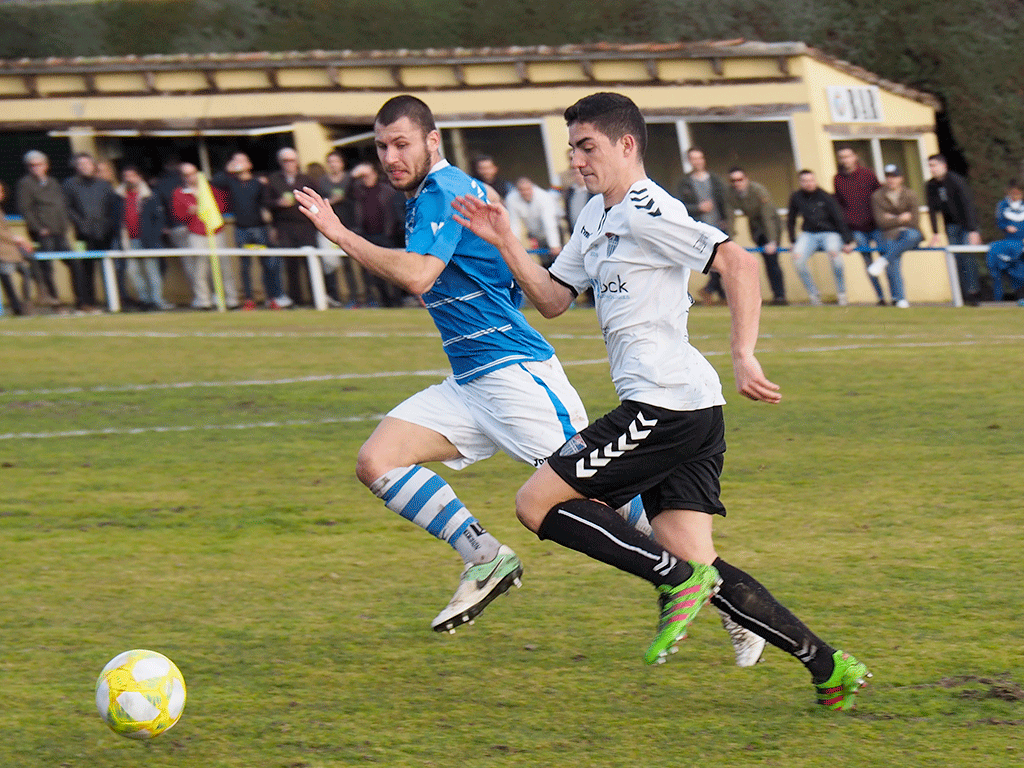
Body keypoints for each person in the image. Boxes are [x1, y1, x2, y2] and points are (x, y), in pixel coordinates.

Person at [452, 91, 869, 710]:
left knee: (537, 502)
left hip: (664, 406)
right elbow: (553, 299)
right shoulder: (597, 215)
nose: (577, 161)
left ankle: (676, 583)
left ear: (627, 145)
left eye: (587, 147)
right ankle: (829, 665)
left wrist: (744, 353)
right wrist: (506, 239)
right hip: (691, 408)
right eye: (572, 150)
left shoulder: (648, 210)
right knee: (696, 554)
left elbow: (737, 261)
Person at [293, 94, 597, 636]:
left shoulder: (443, 188)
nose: (390, 156)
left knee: (605, 493)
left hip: (513, 374)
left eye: (401, 143)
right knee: (378, 460)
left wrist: (340, 233)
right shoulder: (432, 195)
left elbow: (419, 275)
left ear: (433, 141)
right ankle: (484, 557)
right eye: (382, 146)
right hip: (469, 382)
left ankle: (713, 585)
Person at [213, 152, 292, 310]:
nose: (238, 163)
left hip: (260, 228)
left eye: (241, 160)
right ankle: (249, 299)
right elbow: (216, 182)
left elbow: (267, 203)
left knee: (268, 264)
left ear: (250, 165)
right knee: (245, 266)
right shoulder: (231, 181)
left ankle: (272, 298)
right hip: (241, 229)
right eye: (235, 160)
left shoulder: (259, 182)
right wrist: (228, 169)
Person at [171, 162, 240, 310]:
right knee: (199, 270)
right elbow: (177, 214)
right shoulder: (179, 192)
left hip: (215, 231)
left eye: (193, 173)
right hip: (196, 233)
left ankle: (231, 299)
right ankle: (204, 300)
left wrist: (208, 207)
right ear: (182, 177)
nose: (191, 177)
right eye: (187, 175)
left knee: (225, 267)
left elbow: (223, 205)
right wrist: (188, 211)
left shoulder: (210, 189)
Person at [787, 170, 855, 306]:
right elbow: (791, 219)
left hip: (830, 233)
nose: (809, 183)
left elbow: (839, 218)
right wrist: (793, 240)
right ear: (800, 183)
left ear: (815, 180)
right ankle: (814, 295)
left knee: (835, 257)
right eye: (805, 181)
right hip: (809, 234)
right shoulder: (796, 197)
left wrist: (848, 240)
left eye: (811, 180)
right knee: (797, 259)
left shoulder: (827, 197)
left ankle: (842, 294)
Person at [676, 146, 732, 304]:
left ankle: (713, 292)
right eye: (693, 158)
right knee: (713, 261)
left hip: (719, 228)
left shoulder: (715, 180)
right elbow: (679, 206)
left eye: (699, 158)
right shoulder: (685, 183)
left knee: (721, 262)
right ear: (689, 161)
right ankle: (717, 294)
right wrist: (698, 208)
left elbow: (726, 202)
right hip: (699, 229)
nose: (697, 161)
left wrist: (726, 220)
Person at [63, 153, 118, 312]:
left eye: (87, 163)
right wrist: (81, 224)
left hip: (104, 234)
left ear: (93, 165)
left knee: (110, 268)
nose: (84, 166)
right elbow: (67, 208)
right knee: (83, 269)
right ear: (76, 167)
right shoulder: (69, 184)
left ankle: (113, 301)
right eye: (80, 164)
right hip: (82, 235)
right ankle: (85, 302)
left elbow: (111, 208)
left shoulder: (104, 185)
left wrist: (107, 225)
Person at [926, 154, 983, 306]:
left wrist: (973, 230)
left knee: (968, 257)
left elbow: (968, 204)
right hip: (950, 226)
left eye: (934, 165)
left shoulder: (955, 180)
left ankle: (974, 292)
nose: (932, 169)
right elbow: (932, 210)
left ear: (943, 165)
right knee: (956, 259)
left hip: (966, 225)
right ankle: (963, 294)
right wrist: (935, 232)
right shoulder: (931, 185)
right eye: (930, 166)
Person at [266, 147, 321, 305]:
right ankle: (296, 300)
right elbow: (265, 201)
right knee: (291, 265)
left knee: (311, 264)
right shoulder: (274, 179)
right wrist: (278, 203)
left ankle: (316, 299)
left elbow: (317, 200)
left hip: (306, 226)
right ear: (280, 162)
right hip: (284, 227)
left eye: (292, 160)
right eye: (285, 161)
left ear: (297, 162)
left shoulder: (307, 179)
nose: (289, 164)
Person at [834, 146, 887, 305]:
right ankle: (881, 297)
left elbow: (880, 196)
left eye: (848, 156)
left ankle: (897, 296)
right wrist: (847, 235)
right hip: (856, 229)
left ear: (855, 157)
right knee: (868, 263)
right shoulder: (838, 179)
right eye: (842, 157)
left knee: (886, 259)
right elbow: (840, 205)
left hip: (876, 226)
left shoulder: (868, 174)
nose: (845, 160)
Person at [726, 167, 787, 305]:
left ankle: (780, 296)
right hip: (755, 226)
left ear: (746, 179)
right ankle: (774, 295)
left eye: (740, 179)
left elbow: (768, 217)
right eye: (733, 180)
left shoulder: (758, 190)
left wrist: (772, 241)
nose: (737, 183)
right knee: (764, 261)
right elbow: (730, 217)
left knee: (772, 260)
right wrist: (728, 238)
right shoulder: (730, 193)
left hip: (771, 224)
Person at [349, 161, 405, 307]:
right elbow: (347, 192)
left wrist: (391, 231)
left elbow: (394, 212)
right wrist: (354, 175)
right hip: (367, 236)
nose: (365, 178)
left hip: (386, 236)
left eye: (368, 174)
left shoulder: (386, 190)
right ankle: (383, 300)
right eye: (363, 176)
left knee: (391, 270)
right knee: (373, 272)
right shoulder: (359, 191)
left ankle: (397, 301)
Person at [868, 164, 923, 309]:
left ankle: (883, 260)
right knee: (894, 259)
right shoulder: (877, 196)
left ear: (901, 179)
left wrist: (892, 218)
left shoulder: (910, 194)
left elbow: (915, 220)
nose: (891, 180)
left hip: (910, 232)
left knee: (913, 236)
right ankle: (901, 298)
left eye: (895, 177)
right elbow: (881, 222)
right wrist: (900, 218)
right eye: (888, 177)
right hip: (890, 233)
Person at [117, 166, 172, 311]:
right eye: (126, 176)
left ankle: (156, 300)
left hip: (147, 239)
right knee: (134, 272)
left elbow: (158, 218)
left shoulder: (150, 195)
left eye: (132, 175)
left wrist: (154, 236)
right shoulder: (118, 196)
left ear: (139, 177)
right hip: (127, 240)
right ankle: (144, 300)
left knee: (152, 271)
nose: (129, 179)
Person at [15, 150, 65, 307]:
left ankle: (83, 301)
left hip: (60, 231)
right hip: (42, 233)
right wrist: (39, 228)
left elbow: (61, 206)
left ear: (46, 165)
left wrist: (64, 225)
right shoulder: (25, 184)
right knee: (46, 267)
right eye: (31, 165)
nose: (34, 168)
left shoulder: (54, 183)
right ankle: (53, 300)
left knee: (75, 263)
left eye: (38, 164)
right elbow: (25, 209)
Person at [317, 151, 364, 307]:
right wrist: (331, 201)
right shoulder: (322, 182)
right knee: (333, 264)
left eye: (336, 161)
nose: (333, 164)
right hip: (331, 229)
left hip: (350, 226)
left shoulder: (351, 180)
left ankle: (360, 297)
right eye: (330, 162)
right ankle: (339, 298)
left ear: (342, 163)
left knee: (354, 264)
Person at [504, 176, 563, 268]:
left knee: (560, 262)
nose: (525, 192)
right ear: (517, 190)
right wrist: (514, 247)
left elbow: (549, 223)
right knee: (545, 264)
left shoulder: (543, 197)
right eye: (522, 190)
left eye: (528, 189)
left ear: (532, 187)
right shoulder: (511, 199)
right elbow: (514, 223)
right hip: (536, 234)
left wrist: (554, 244)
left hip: (554, 230)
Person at [985, 178, 1024, 302]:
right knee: (1012, 267)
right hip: (1011, 242)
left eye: (1018, 193)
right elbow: (1000, 222)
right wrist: (1006, 227)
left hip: (1021, 242)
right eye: (1013, 193)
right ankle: (1002, 297)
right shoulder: (1002, 205)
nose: (1016, 196)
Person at [0, 180, 36, 316]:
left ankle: (26, 304)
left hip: (11, 251)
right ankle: (17, 307)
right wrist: (18, 239)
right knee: (8, 278)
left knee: (27, 272)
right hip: (4, 253)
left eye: (1, 191)